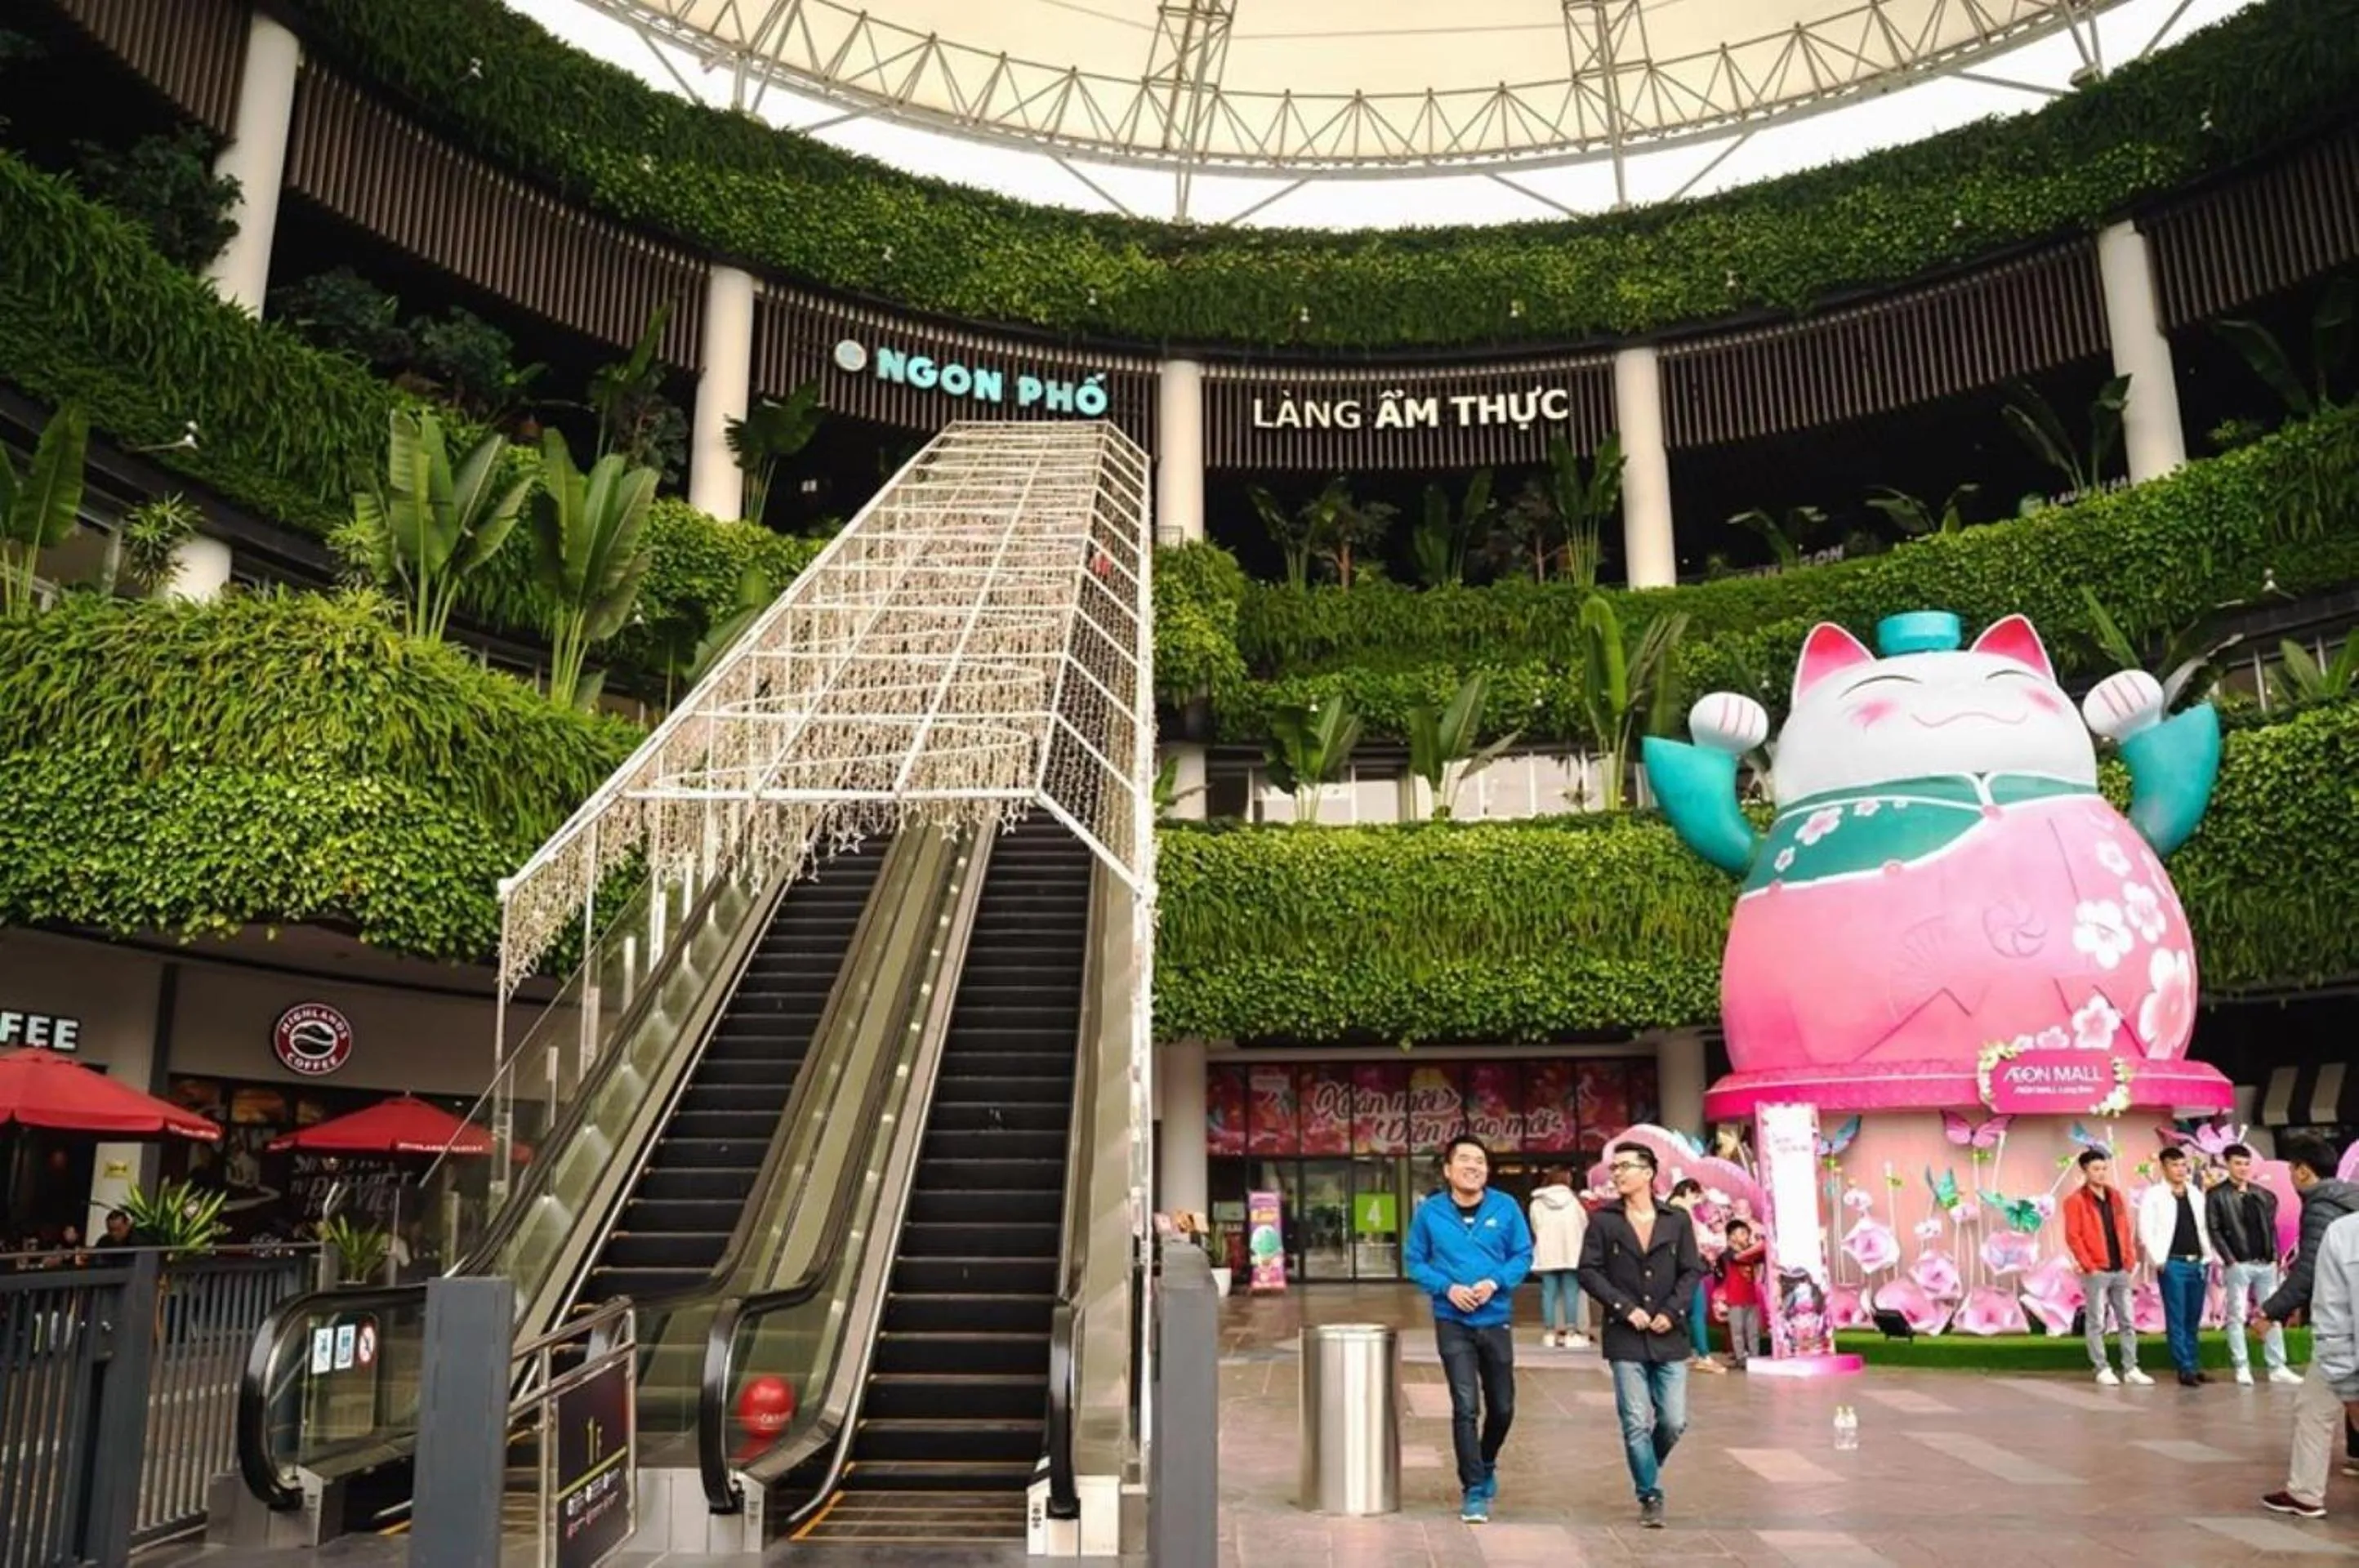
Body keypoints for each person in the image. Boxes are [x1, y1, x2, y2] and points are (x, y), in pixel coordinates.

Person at [1404, 1134, 1533, 1526]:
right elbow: (1415, 1261)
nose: (1473, 1166)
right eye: (1464, 1160)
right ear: (1447, 1169)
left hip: (1495, 1319)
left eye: (1480, 1160)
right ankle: (1474, 1489)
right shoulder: (1430, 1213)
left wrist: (1495, 1282)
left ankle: (1487, 1459)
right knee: (1465, 1406)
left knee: (1503, 1407)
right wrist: (1447, 1288)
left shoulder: (1505, 1207)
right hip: (1452, 1320)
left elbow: (1523, 1254)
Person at [1578, 1143, 1705, 1530]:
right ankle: (1649, 1492)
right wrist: (1623, 1308)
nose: (1617, 1174)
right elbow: (1589, 1271)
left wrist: (1671, 1312)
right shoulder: (1604, 1221)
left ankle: (1647, 1462)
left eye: (1625, 1167)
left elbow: (1691, 1271)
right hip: (1625, 1335)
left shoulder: (1676, 1220)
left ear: (1649, 1173)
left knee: (1673, 1421)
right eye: (1614, 1168)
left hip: (1669, 1334)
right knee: (1635, 1421)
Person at [2258, 1134, 2359, 1520]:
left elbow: (2313, 1271)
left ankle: (2305, 1492)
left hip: (2344, 1331)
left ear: (2302, 1170)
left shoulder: (2324, 1211)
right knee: (2318, 1404)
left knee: (2316, 1408)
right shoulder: (2347, 1201)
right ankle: (2304, 1490)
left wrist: (2271, 1310)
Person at [2208, 1142, 2299, 1387]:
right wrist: (2230, 1260)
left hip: (2265, 1262)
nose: (2243, 1168)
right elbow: (2214, 1230)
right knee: (2236, 1315)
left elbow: (2271, 1227)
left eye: (2246, 1163)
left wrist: (2275, 1256)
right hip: (2239, 1263)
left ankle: (2277, 1365)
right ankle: (2241, 1365)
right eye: (2238, 1163)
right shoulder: (2217, 1195)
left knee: (2273, 1313)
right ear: (2227, 1165)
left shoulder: (2262, 1194)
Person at [2062, 1148, 2150, 1386]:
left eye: (2103, 1169)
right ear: (2085, 1171)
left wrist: (2129, 1260)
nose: (2101, 1174)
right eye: (2095, 1169)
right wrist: (2089, 1266)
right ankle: (2101, 1367)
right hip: (2097, 1270)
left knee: (2127, 1321)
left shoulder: (2115, 1196)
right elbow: (2073, 1236)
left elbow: (2124, 1228)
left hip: (2120, 1267)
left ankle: (2131, 1367)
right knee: (2097, 1321)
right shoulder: (2075, 1201)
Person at [2138, 1146, 2215, 1387]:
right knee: (2177, 1316)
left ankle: (2193, 1362)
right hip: (2172, 1261)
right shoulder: (2154, 1195)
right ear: (2164, 1167)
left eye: (2183, 1165)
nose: (2180, 1170)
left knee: (2194, 1316)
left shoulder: (2195, 1193)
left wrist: (2208, 1255)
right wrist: (2158, 1259)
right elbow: (2146, 1229)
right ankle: (2184, 1367)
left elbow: (2204, 1227)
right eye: (2175, 1165)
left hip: (2198, 1261)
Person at [1527, 1166, 1590, 1349]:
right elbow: (1584, 1224)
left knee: (1549, 1293)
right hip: (1571, 1252)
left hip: (1547, 1252)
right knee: (1571, 1292)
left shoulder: (1537, 1203)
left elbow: (1535, 1225)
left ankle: (1549, 1333)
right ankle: (1571, 1333)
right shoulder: (1574, 1201)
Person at [1667, 1178, 1724, 1374]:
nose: (1698, 1201)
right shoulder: (1682, 1212)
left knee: (1684, 1312)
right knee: (1698, 1311)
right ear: (1689, 1192)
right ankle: (1703, 1355)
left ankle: (1690, 1352)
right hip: (1689, 1267)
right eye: (1697, 1196)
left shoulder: (1668, 1209)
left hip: (1675, 1268)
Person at [1719, 1219, 1766, 1369]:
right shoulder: (1728, 1254)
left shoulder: (1751, 1252)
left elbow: (1762, 1255)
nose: (1746, 1236)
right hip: (1735, 1300)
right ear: (1732, 1237)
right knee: (1737, 1331)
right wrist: (1759, 1245)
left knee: (1753, 1331)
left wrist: (1761, 1245)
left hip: (1751, 1299)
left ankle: (1754, 1356)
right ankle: (1740, 1358)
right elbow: (1739, 1258)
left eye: (1747, 1233)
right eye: (1742, 1233)